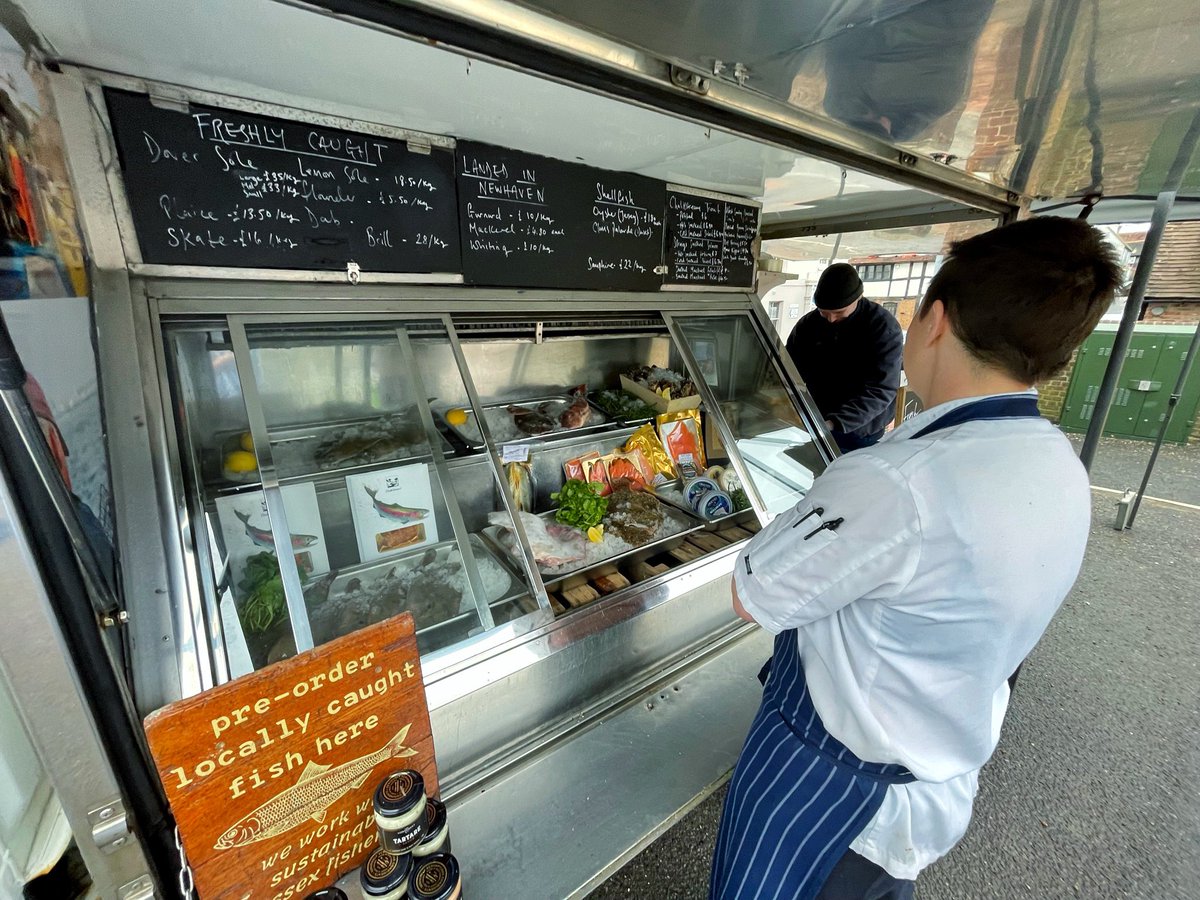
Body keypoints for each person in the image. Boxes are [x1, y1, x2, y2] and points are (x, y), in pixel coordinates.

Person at [710, 218, 1122, 900]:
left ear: (934, 318)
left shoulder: (893, 479)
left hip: (830, 795)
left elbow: (750, 593)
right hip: (935, 780)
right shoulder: (1059, 466)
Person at [785, 263, 902, 453]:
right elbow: (788, 369)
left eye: (839, 313)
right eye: (824, 312)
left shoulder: (883, 327)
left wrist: (835, 423)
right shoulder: (808, 325)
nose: (830, 319)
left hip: (861, 430)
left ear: (858, 298)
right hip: (816, 421)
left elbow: (882, 389)